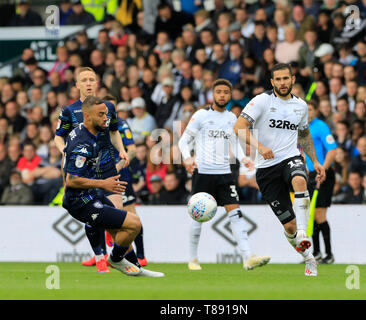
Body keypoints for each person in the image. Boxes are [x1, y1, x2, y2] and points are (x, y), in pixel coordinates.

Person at [234, 63, 326, 276]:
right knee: (289, 226)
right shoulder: (261, 101)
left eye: (287, 78)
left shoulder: (301, 106)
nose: (283, 83)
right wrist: (260, 147)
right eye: (279, 79)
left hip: (290, 157)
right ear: (272, 82)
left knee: (300, 180)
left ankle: (304, 233)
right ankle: (308, 257)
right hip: (266, 169)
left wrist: (316, 161)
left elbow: (304, 135)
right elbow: (238, 127)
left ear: (293, 80)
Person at [63, 96, 163, 277]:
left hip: (92, 193)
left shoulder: (104, 118)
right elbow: (71, 180)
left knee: (120, 231)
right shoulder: (81, 143)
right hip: (79, 201)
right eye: (100, 115)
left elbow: (114, 128)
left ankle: (135, 268)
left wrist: (122, 150)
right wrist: (104, 183)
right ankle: (114, 259)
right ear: (87, 117)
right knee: (134, 224)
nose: (105, 118)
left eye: (106, 114)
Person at [178, 78, 270, 271]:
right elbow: (183, 141)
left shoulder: (231, 118)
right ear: (213, 94)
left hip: (224, 174)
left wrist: (243, 158)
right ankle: (193, 259)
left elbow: (234, 143)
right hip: (202, 173)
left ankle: (248, 257)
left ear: (230, 95)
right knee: (197, 217)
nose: (222, 95)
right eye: (218, 92)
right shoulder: (201, 115)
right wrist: (187, 158)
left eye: (225, 92)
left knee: (235, 213)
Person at [54, 67, 129, 273]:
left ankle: (117, 256)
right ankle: (100, 256)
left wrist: (122, 150)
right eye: (84, 80)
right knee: (94, 213)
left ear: (96, 83)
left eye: (91, 80)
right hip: (83, 169)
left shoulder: (108, 108)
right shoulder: (69, 111)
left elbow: (114, 132)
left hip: (106, 166)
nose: (88, 83)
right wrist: (65, 151)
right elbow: (58, 136)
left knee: (116, 212)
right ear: (77, 85)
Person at [103, 95, 148, 266]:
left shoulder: (121, 124)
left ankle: (141, 255)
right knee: (101, 213)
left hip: (121, 175)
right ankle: (99, 255)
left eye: (113, 107)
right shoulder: (98, 124)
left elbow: (133, 150)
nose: (110, 111)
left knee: (130, 216)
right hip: (102, 176)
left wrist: (118, 165)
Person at [304, 100, 337, 264]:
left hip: (323, 174)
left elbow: (332, 149)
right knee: (312, 216)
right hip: (309, 175)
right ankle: (316, 252)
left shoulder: (321, 126)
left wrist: (324, 168)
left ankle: (329, 254)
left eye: (310, 109)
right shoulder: (301, 128)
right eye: (306, 109)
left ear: (316, 111)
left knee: (319, 215)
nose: (308, 112)